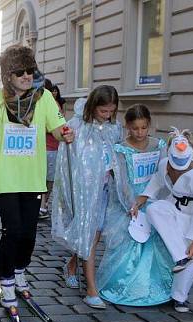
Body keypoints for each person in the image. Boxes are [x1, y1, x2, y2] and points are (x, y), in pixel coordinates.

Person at [0, 45, 73, 309]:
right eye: (20, 72)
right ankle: (6, 280)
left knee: (29, 234)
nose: (27, 76)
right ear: (8, 75)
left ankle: (20, 270)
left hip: (33, 178)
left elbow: (58, 129)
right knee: (13, 230)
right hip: (5, 178)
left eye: (31, 70)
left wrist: (66, 134)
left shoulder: (44, 99)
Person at [96, 104, 174, 306]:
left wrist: (157, 201)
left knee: (155, 244)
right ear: (127, 127)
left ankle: (155, 284)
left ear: (150, 125)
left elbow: (164, 176)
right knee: (129, 243)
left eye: (144, 127)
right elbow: (121, 181)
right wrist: (131, 204)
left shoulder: (159, 145)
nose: (139, 133)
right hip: (129, 203)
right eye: (135, 128)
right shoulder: (120, 149)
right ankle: (127, 286)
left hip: (154, 200)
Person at [52, 86, 121, 309]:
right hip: (84, 193)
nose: (107, 115)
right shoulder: (77, 126)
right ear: (93, 106)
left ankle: (72, 265)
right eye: (103, 111)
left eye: (111, 111)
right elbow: (68, 161)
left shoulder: (113, 128)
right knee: (89, 236)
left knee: (94, 236)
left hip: (104, 192)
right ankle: (92, 290)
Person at [132, 128, 193, 312]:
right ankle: (180, 257)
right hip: (173, 207)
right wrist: (142, 198)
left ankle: (179, 297)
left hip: (192, 217)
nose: (177, 165)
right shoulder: (164, 164)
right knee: (154, 208)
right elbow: (157, 182)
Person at [39, 79, 65, 219]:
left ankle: (44, 202)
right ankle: (41, 203)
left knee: (49, 178)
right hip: (41, 147)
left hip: (51, 146)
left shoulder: (54, 104)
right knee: (43, 177)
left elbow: (59, 126)